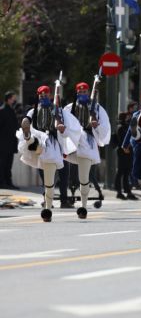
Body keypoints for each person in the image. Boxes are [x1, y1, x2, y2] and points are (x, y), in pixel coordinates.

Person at [17, 85, 81, 222]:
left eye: (46, 95)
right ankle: (29, 137)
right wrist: (27, 123)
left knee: (49, 182)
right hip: (38, 143)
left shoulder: (56, 110)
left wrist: (60, 127)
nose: (43, 97)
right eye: (41, 95)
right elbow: (27, 119)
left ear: (50, 96)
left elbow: (62, 124)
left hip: (51, 146)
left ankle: (47, 208)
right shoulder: (33, 110)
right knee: (35, 142)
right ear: (38, 96)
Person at [65, 82, 111, 218]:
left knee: (83, 177)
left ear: (88, 92)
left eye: (85, 92)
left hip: (86, 144)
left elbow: (105, 126)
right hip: (72, 144)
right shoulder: (69, 108)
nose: (83, 94)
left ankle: (83, 206)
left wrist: (96, 125)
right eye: (80, 92)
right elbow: (61, 122)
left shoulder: (97, 108)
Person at [115, 112, 137, 200]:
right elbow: (121, 140)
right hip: (122, 152)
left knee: (127, 172)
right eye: (127, 117)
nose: (128, 118)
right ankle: (119, 192)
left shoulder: (128, 127)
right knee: (120, 172)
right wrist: (125, 147)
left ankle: (128, 191)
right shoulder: (120, 128)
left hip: (129, 152)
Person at [0, 91, 20, 189]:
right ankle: (2, 182)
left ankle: (8, 182)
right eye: (13, 98)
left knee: (9, 164)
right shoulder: (2, 110)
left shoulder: (12, 110)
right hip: (3, 143)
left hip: (11, 142)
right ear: (8, 99)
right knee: (2, 163)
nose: (14, 100)